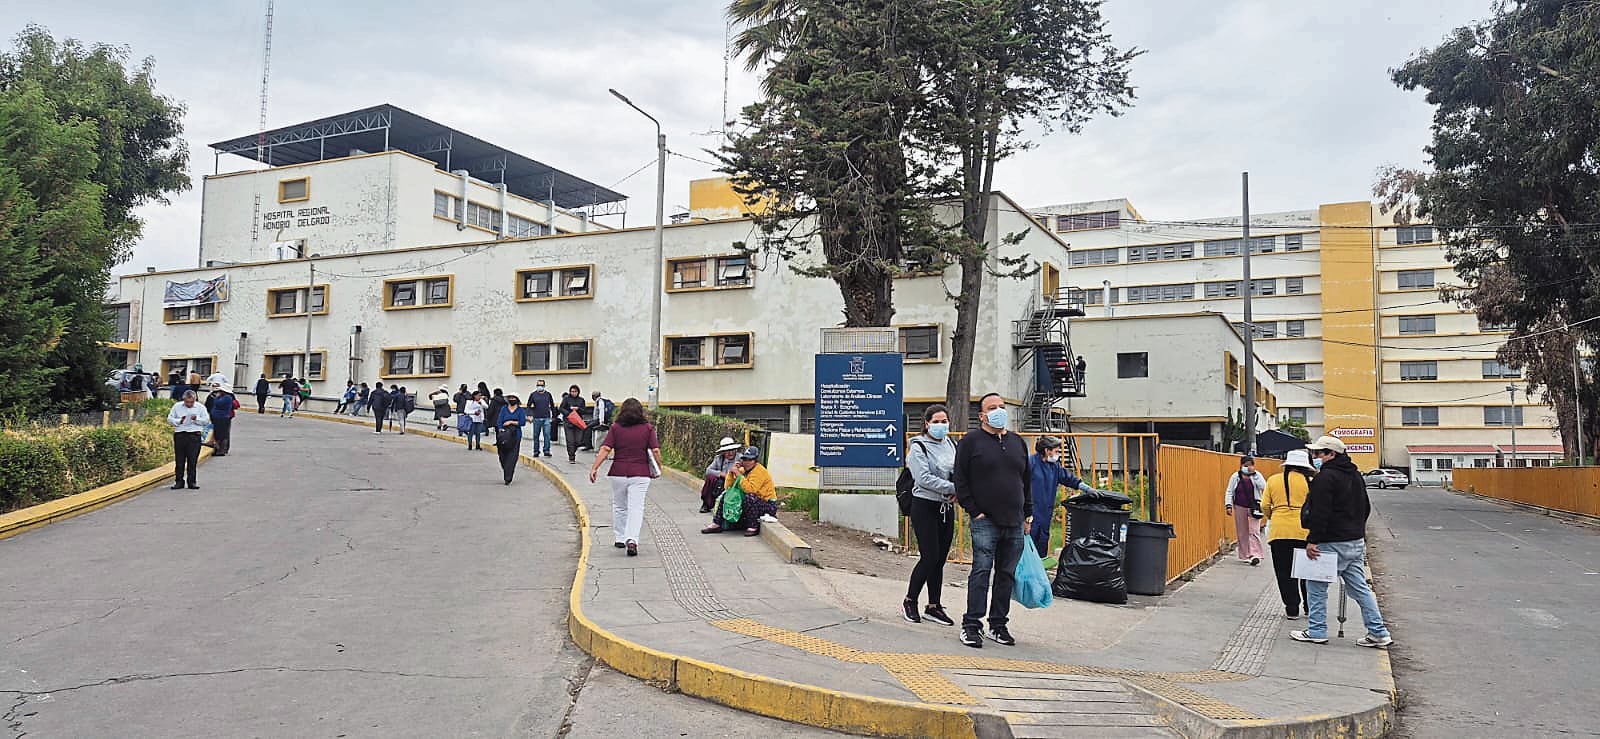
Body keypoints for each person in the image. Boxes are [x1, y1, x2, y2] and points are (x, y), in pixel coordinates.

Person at [1292, 436, 1394, 648]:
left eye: (1319, 453)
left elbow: (1321, 512)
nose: (1315, 457)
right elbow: (1365, 508)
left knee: (1316, 586)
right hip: (1354, 541)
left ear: (1332, 454)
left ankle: (1316, 630)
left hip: (1330, 542)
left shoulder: (1324, 479)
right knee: (1360, 588)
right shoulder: (1356, 476)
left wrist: (1313, 540)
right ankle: (1378, 632)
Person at [953, 393, 1030, 649]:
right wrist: (974, 510)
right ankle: (972, 625)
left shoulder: (1018, 442)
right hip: (985, 521)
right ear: (982, 415)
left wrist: (1028, 512)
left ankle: (999, 624)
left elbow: (1026, 481)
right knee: (981, 571)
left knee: (1006, 574)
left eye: (1001, 406)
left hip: (1015, 521)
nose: (998, 411)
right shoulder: (971, 442)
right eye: (992, 408)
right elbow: (960, 480)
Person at [902, 405, 959, 627]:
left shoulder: (951, 444)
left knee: (940, 559)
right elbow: (923, 478)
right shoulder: (918, 447)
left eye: (944, 421)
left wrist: (955, 489)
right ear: (926, 424)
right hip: (924, 505)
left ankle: (934, 606)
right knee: (929, 556)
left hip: (946, 507)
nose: (941, 425)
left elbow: (957, 471)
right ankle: (910, 600)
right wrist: (953, 488)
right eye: (936, 421)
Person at [590, 398, 663, 556]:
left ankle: (620, 537)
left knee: (619, 506)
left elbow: (605, 448)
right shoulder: (648, 428)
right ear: (640, 412)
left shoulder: (616, 428)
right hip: (641, 473)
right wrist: (658, 467)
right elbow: (655, 450)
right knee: (636, 508)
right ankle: (632, 540)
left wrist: (595, 468)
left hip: (618, 473)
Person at [1264, 449, 1314, 619]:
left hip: (1280, 531)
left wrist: (1275, 516)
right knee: (1306, 572)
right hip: (1304, 532)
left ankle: (1292, 608)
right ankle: (1310, 606)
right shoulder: (1312, 482)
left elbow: (1264, 505)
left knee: (1284, 571)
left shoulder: (1273, 480)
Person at [1028, 436, 1094, 558]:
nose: (1058, 454)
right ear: (1047, 450)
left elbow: (1069, 479)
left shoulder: (1055, 467)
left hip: (1045, 515)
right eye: (1056, 451)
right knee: (1027, 548)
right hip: (1030, 515)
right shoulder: (1030, 463)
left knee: (1041, 546)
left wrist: (1087, 489)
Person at [701, 446, 779, 537]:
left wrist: (738, 474)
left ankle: (753, 526)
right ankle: (716, 523)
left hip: (767, 504)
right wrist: (731, 473)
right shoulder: (742, 470)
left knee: (749, 497)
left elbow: (751, 489)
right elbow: (728, 487)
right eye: (745, 459)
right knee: (727, 494)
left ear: (755, 461)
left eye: (750, 460)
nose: (747, 462)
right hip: (753, 502)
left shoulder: (759, 471)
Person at [1224, 455, 1268, 565]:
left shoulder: (1257, 475)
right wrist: (1228, 505)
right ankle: (1245, 555)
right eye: (1246, 465)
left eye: (1251, 465)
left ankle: (1256, 554)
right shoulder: (1235, 476)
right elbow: (1229, 491)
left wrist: (1254, 475)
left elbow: (1264, 487)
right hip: (1240, 506)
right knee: (1242, 531)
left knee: (1254, 531)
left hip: (1255, 506)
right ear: (1241, 465)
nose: (1248, 467)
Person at [167, 390, 206, 490]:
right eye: (187, 402)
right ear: (183, 399)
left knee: (192, 460)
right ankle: (179, 481)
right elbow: (169, 419)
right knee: (179, 460)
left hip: (194, 435)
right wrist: (179, 421)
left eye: (191, 402)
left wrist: (196, 419)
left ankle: (192, 481)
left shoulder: (200, 407)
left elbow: (206, 420)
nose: (189, 404)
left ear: (194, 400)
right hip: (181, 435)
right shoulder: (177, 406)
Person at [700, 437, 741, 514]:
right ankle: (706, 504)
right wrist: (721, 474)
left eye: (732, 450)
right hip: (721, 483)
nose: (730, 453)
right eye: (727, 451)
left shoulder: (740, 458)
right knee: (711, 478)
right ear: (723, 452)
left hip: (733, 483)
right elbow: (708, 471)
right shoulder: (718, 459)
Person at [495, 394, 528, 484]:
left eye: (513, 398)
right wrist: (500, 429)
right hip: (504, 435)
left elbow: (522, 422)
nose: (512, 399)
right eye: (510, 398)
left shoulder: (520, 410)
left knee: (512, 456)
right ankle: (506, 469)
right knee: (502, 455)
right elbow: (499, 421)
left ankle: (508, 476)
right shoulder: (504, 409)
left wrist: (511, 422)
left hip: (515, 435)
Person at [204, 382, 239, 456]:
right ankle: (217, 448)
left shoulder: (227, 398)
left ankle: (221, 450)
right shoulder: (224, 397)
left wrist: (216, 397)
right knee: (218, 433)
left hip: (222, 418)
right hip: (218, 417)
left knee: (222, 434)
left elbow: (217, 403)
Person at [558, 384, 588, 463]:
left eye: (575, 391)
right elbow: (561, 408)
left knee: (578, 441)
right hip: (568, 422)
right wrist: (568, 413)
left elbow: (584, 410)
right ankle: (571, 457)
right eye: (572, 391)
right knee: (570, 440)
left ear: (578, 392)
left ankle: (573, 451)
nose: (573, 393)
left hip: (578, 422)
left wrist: (578, 409)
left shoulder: (581, 400)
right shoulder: (566, 399)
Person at [527, 380, 557, 457]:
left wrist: (554, 416)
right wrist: (529, 415)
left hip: (546, 417)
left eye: (541, 385)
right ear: (536, 385)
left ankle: (546, 450)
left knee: (547, 435)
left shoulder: (548, 395)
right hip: (536, 418)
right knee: (536, 435)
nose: (540, 386)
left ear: (544, 386)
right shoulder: (533, 395)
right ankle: (536, 451)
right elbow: (528, 406)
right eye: (538, 385)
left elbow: (552, 405)